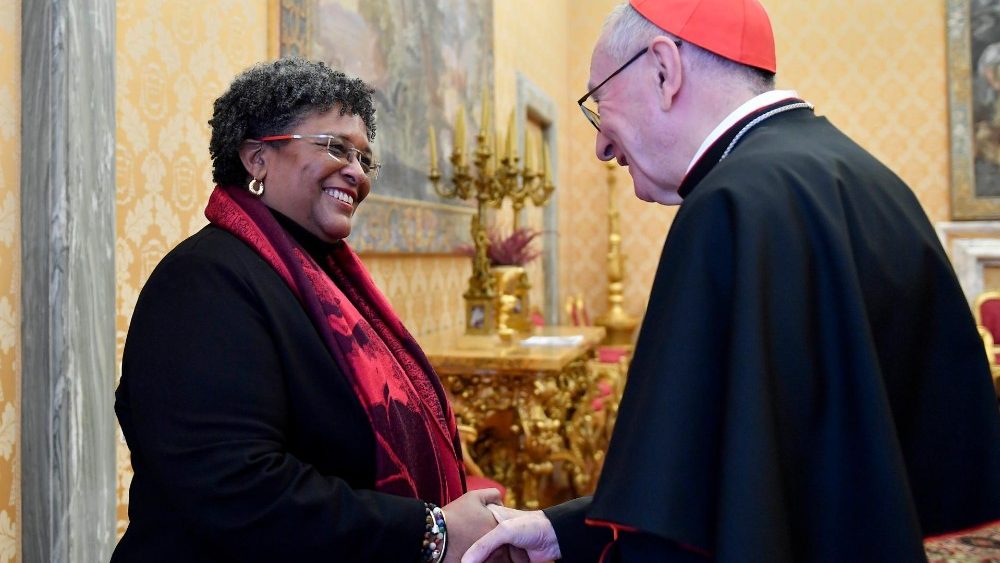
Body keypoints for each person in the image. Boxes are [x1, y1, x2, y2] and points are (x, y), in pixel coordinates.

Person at [464, 0, 1000, 561]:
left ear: (664, 70)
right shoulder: (874, 182)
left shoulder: (727, 207)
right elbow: (764, 468)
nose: (601, 145)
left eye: (600, 101)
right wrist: (562, 530)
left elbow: (688, 527)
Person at [113, 58, 507, 562]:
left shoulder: (326, 282)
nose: (356, 172)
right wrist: (431, 532)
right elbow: (236, 488)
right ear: (257, 158)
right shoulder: (202, 281)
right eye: (336, 148)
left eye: (364, 158)